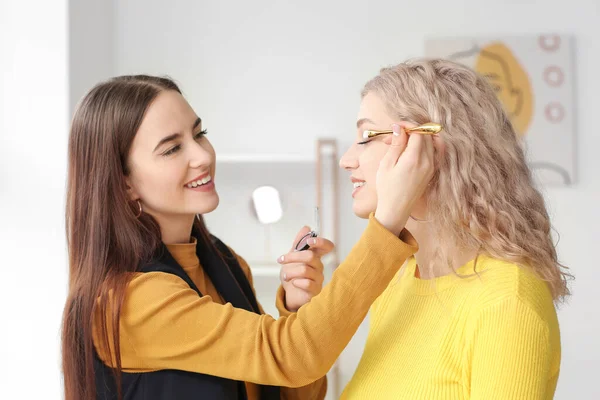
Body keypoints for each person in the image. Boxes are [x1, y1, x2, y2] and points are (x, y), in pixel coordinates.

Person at [60, 75, 435, 400]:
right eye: (173, 148)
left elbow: (296, 383)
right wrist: (386, 224)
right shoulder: (129, 302)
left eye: (199, 134)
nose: (203, 156)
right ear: (124, 184)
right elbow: (291, 355)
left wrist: (298, 307)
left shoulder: (225, 263)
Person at [338, 58, 571, 399]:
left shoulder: (507, 302)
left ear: (429, 147)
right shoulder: (399, 281)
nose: (347, 159)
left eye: (367, 136)